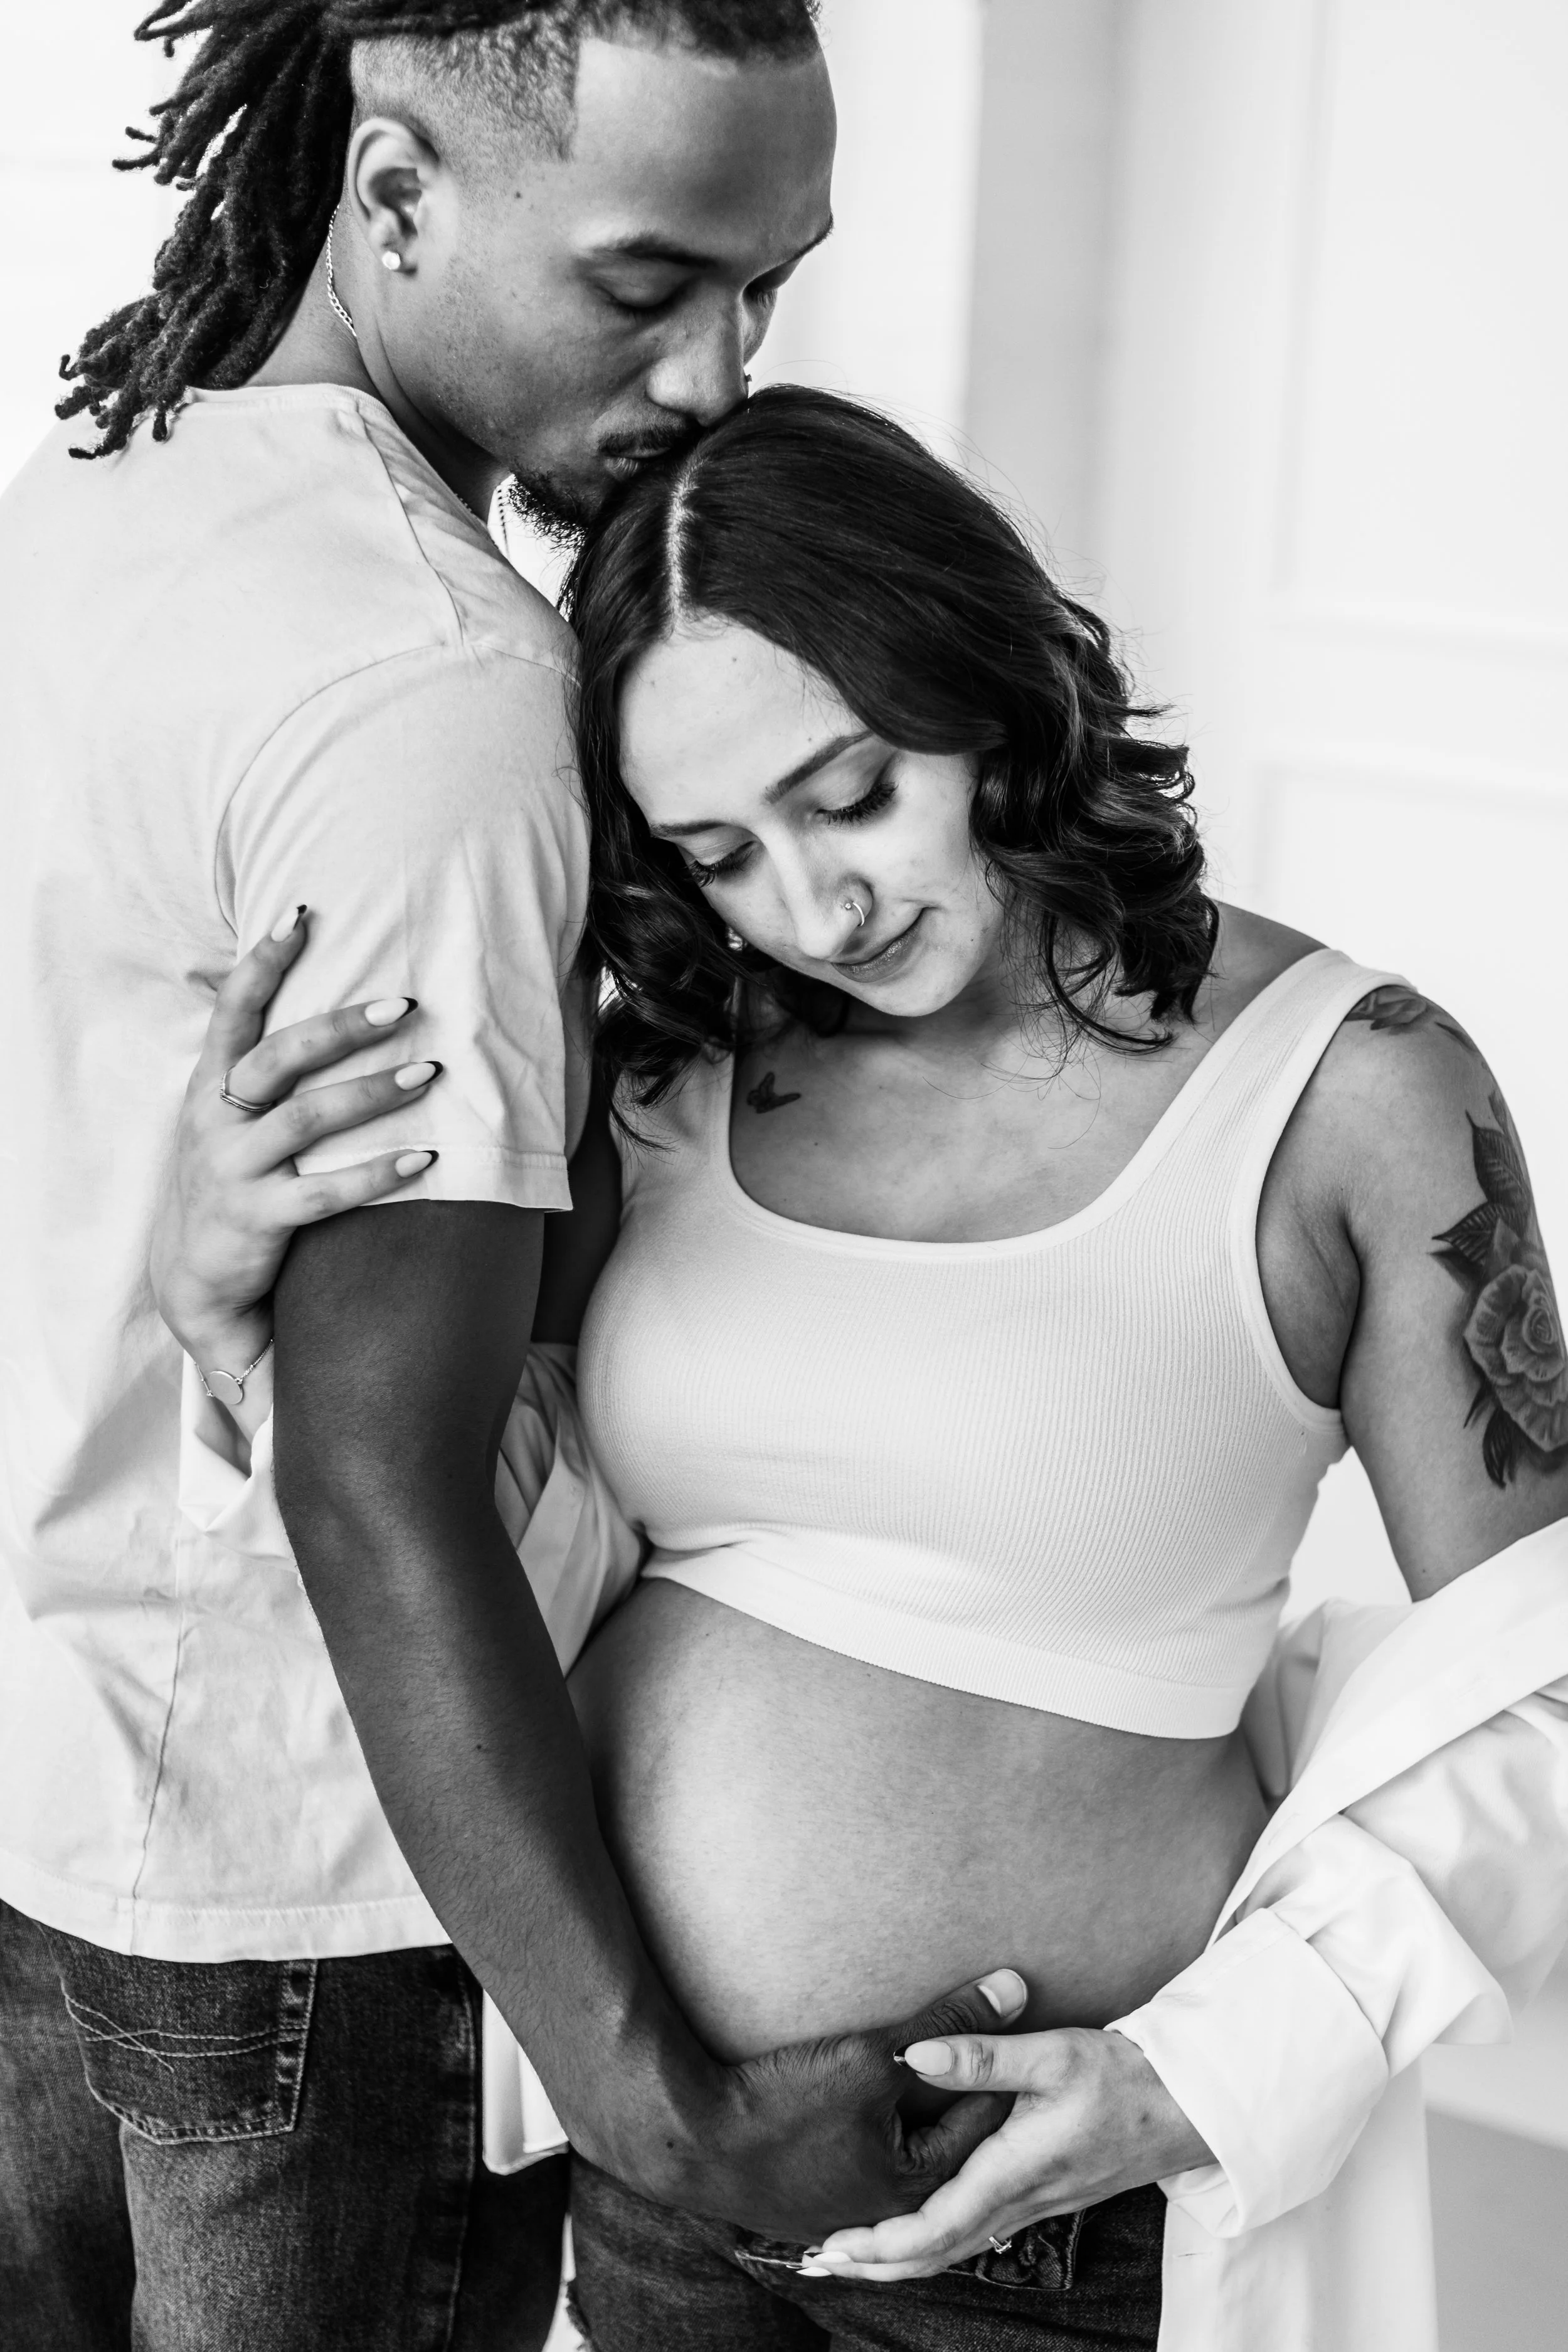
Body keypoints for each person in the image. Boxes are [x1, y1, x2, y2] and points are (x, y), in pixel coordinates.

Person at [149, 385, 1568, 2351]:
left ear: (984, 678)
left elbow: (1543, 1680)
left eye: (847, 793)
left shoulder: (1354, 1092)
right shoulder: (667, 1077)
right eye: (717, 849)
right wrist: (245, 1329)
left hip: (1040, 2229)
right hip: (657, 2184)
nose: (810, 907)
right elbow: (493, 1543)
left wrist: (1204, 2073)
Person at [0, 15, 1020, 2350]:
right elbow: (388, 1473)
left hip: (48, 1825)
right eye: (645, 280)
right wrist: (652, 2099)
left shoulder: (73, 526)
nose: (713, 373)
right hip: (303, 1913)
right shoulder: (435, 681)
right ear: (388, 197)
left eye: (768, 289)